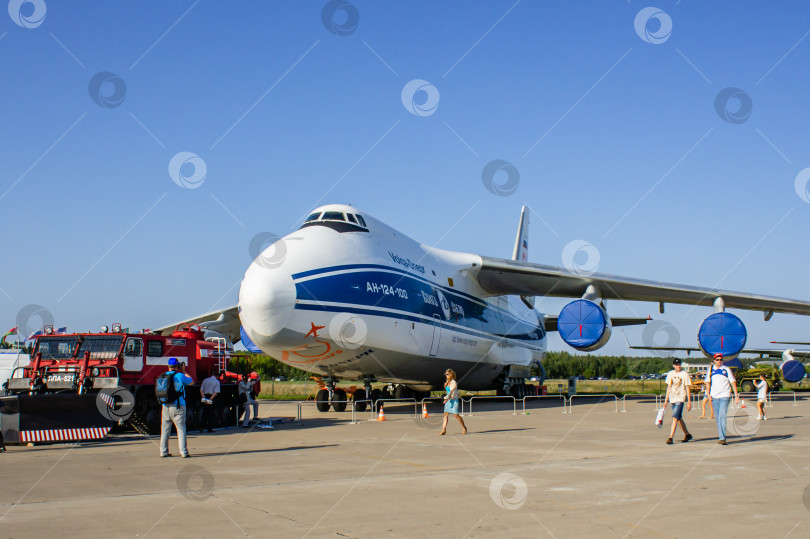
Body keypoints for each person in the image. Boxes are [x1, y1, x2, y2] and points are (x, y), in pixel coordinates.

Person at [159, 358, 193, 457]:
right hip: (178, 405)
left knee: (165, 430)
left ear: (168, 366)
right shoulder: (180, 376)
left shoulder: (163, 375)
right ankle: (183, 452)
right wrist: (184, 371)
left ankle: (163, 451)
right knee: (181, 429)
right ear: (178, 366)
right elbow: (191, 382)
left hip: (165, 405)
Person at [704, 353, 739, 445]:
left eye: (720, 359)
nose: (719, 361)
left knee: (722, 415)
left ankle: (722, 438)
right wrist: (708, 394)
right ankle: (721, 435)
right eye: (717, 359)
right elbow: (707, 382)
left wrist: (736, 395)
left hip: (725, 395)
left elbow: (733, 382)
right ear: (714, 360)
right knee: (718, 417)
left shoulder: (726, 369)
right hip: (714, 396)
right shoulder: (711, 370)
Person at [662, 358, 692, 444]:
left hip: (680, 398)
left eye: (679, 364)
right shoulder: (670, 374)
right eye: (677, 365)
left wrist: (689, 402)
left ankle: (670, 437)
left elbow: (687, 388)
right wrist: (666, 400)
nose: (678, 366)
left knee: (674, 417)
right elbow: (668, 388)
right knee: (678, 418)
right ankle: (687, 434)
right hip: (672, 398)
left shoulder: (684, 374)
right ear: (674, 365)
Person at [439, 369, 467, 435]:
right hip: (448, 400)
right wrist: (445, 386)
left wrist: (446, 399)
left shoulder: (454, 383)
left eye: (447, 374)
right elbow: (448, 391)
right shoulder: (447, 382)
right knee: (445, 414)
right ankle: (443, 430)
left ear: (451, 375)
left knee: (456, 415)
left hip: (453, 400)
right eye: (445, 374)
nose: (446, 375)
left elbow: (452, 392)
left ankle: (464, 427)